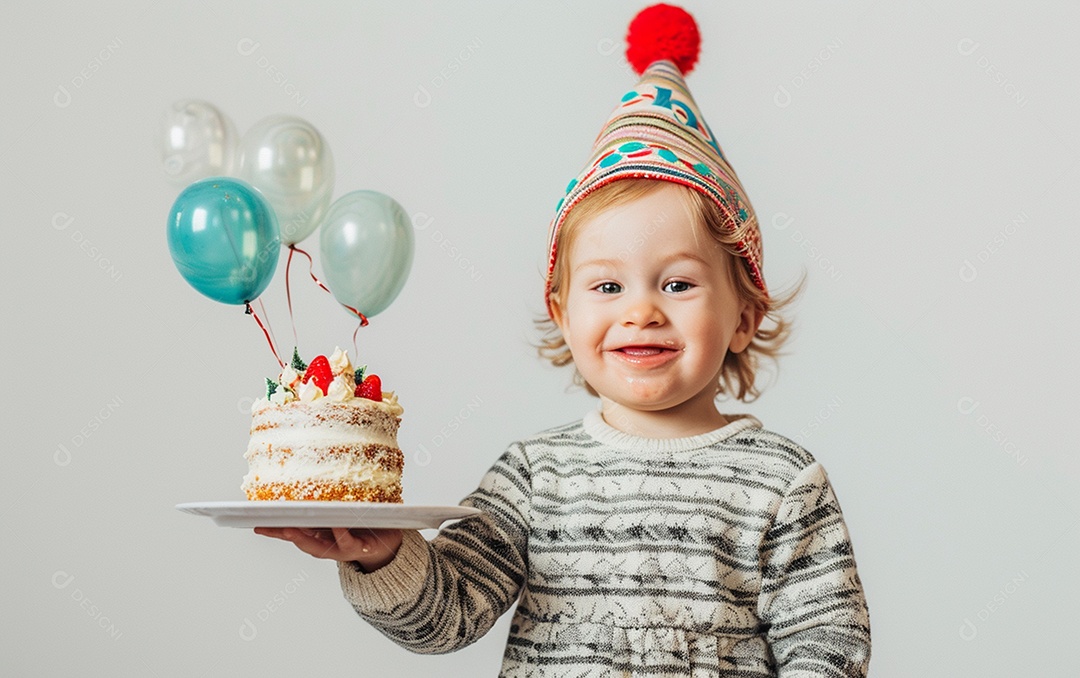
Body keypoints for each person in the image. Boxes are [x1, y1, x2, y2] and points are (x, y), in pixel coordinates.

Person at [256, 5, 871, 676]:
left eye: (678, 285)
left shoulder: (783, 482)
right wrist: (379, 553)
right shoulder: (533, 477)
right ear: (562, 311)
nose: (641, 312)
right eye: (607, 288)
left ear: (745, 314)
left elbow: (828, 648)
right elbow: (448, 614)